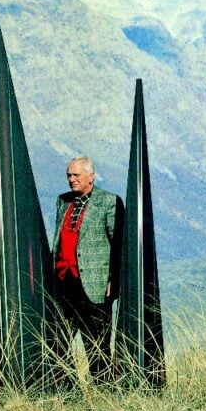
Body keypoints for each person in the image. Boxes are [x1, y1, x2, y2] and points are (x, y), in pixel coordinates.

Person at [53, 156, 124, 383]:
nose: (71, 180)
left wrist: (114, 279)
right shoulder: (63, 201)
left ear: (90, 177)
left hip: (95, 285)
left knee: (97, 345)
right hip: (64, 284)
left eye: (76, 175)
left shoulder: (109, 202)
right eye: (69, 175)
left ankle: (104, 393)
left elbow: (118, 244)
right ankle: (67, 390)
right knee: (57, 342)